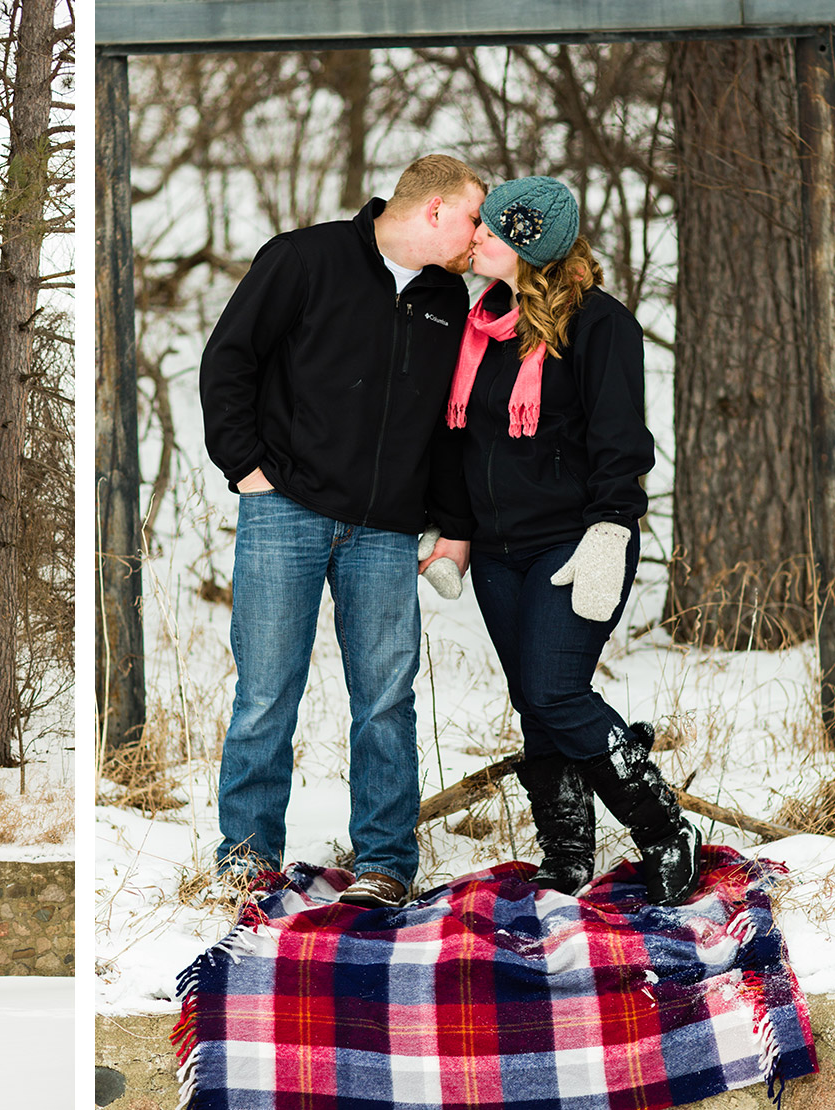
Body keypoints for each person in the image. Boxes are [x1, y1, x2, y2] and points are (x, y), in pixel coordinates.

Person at [200, 154, 485, 908]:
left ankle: (386, 861)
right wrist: (247, 469)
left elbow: (449, 426)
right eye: (472, 217)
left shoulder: (448, 299)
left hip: (387, 529)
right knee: (266, 692)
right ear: (433, 211)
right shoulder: (304, 259)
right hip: (285, 509)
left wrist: (451, 526)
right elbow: (228, 362)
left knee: (387, 697)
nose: (477, 235)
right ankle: (247, 862)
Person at [435, 175, 700, 905]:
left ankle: (663, 829)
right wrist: (457, 535)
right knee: (534, 697)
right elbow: (463, 443)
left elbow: (622, 436)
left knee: (556, 689)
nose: (477, 235)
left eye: (491, 227)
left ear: (525, 245)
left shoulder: (598, 323)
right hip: (498, 550)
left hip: (575, 542)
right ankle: (567, 848)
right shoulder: (481, 323)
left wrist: (611, 530)